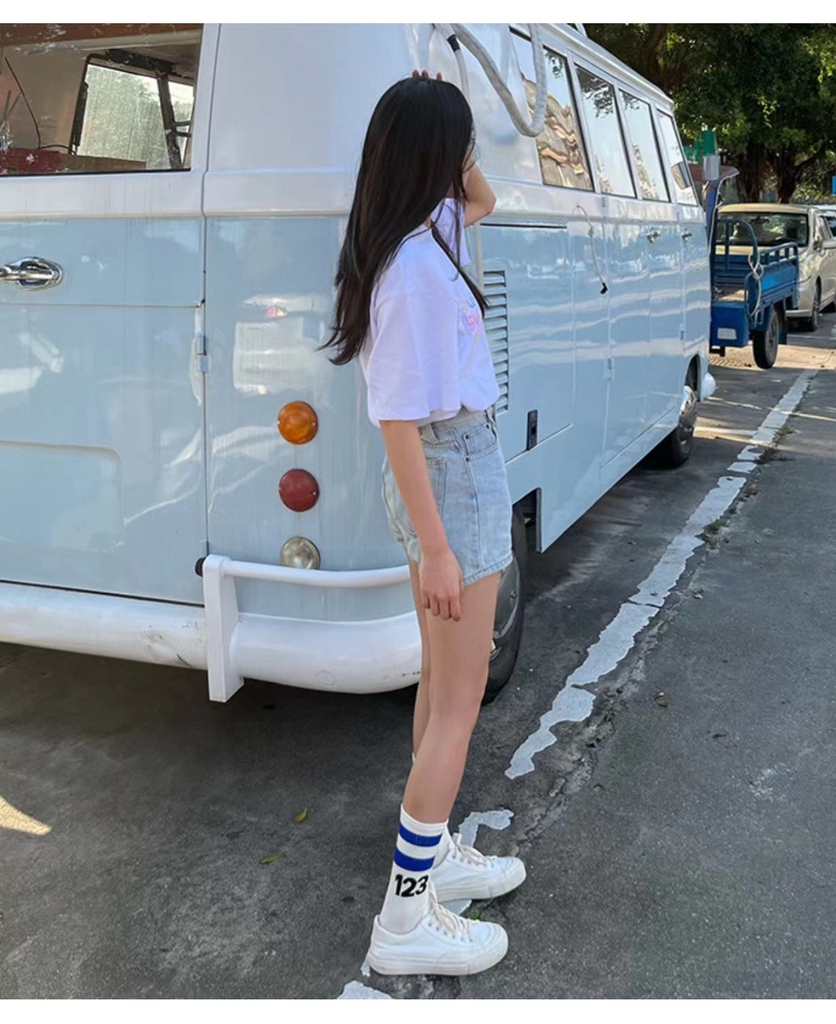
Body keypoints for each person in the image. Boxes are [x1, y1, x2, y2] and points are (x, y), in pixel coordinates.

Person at [322, 71, 525, 976]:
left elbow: (484, 197)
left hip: (455, 466)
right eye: (457, 145)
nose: (466, 163)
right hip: (450, 473)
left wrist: (447, 121)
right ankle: (404, 919)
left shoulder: (427, 230)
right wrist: (438, 549)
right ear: (430, 157)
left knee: (443, 687)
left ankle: (432, 860)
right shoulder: (411, 268)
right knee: (459, 700)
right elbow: (397, 421)